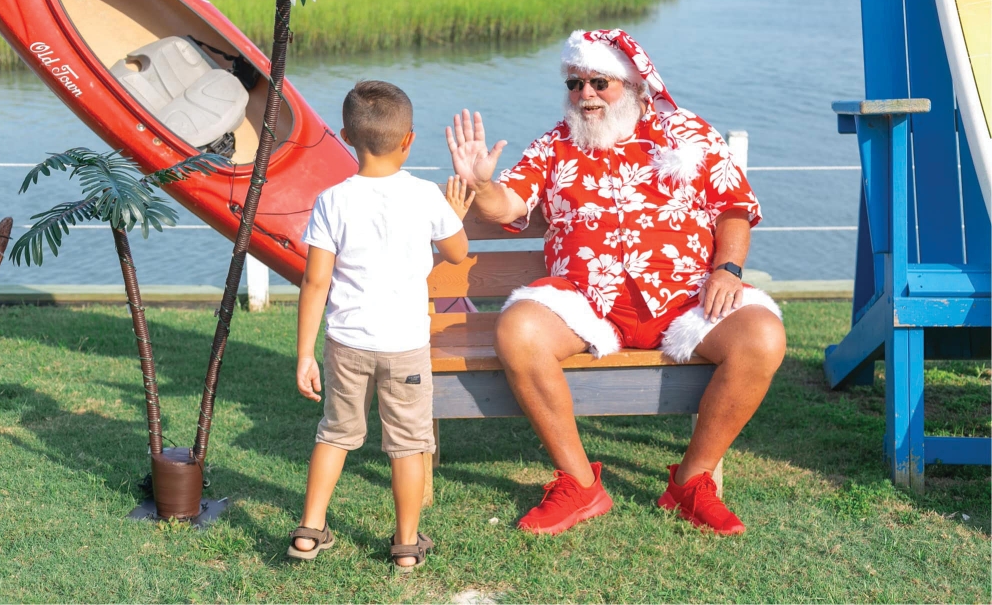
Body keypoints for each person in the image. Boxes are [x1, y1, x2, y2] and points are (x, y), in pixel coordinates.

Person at [445, 29, 786, 536]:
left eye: (599, 82)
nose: (585, 95)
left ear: (633, 85)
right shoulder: (555, 144)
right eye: (575, 83)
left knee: (763, 335)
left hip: (688, 299)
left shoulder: (687, 134)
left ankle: (690, 484)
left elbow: (733, 208)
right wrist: (482, 184)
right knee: (518, 330)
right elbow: (509, 207)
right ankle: (580, 486)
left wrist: (727, 267)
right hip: (585, 304)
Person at [290, 80, 474, 570]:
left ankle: (309, 531)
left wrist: (305, 353)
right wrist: (452, 215)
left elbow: (315, 282)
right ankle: (407, 546)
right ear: (409, 139)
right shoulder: (425, 197)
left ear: (347, 135)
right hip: (405, 347)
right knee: (408, 444)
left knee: (334, 432)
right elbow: (458, 254)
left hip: (345, 343)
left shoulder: (332, 200)